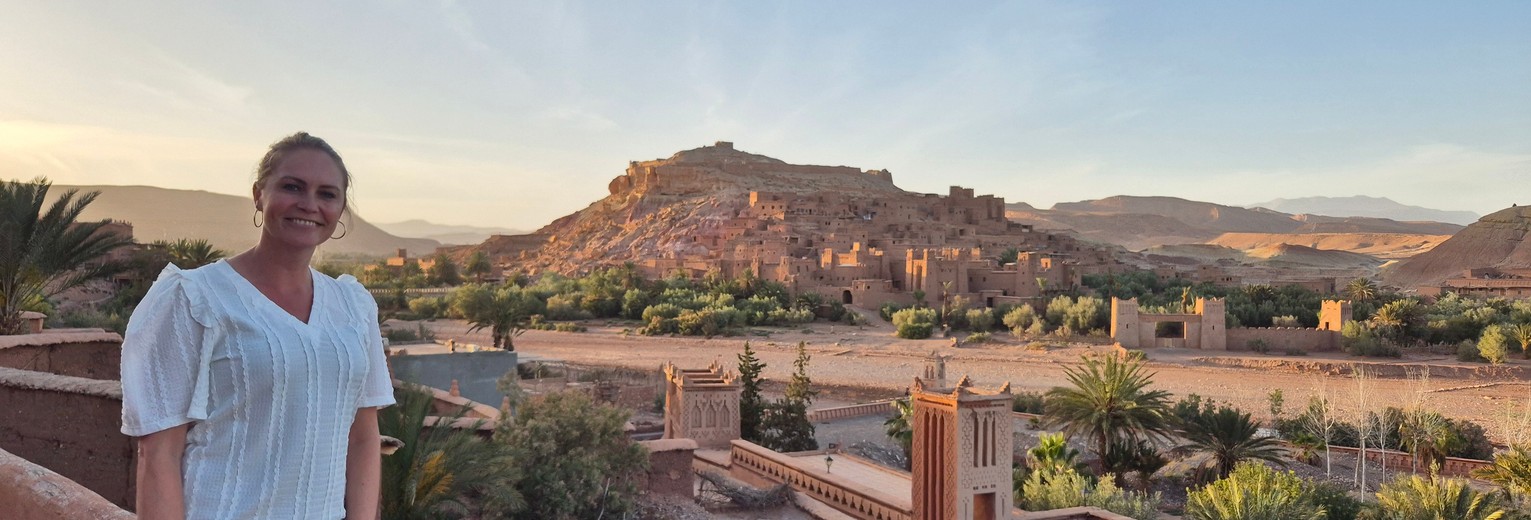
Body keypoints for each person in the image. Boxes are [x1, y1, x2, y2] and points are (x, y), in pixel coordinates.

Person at [120, 132, 395, 519]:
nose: (309, 204)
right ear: (258, 194)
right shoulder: (194, 299)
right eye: (292, 187)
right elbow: (158, 452)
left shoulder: (353, 306)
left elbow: (363, 435)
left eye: (327, 194)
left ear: (341, 209)